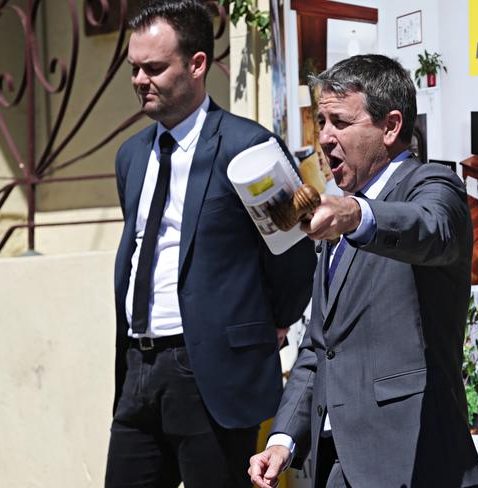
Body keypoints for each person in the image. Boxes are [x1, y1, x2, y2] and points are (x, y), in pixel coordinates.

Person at [249, 54, 478, 488]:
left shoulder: (431, 185)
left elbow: (431, 229)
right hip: (333, 467)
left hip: (415, 463)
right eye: (321, 122)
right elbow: (318, 349)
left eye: (339, 122)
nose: (325, 137)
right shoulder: (336, 215)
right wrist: (282, 440)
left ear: (391, 127)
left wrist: (357, 215)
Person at [106, 1, 316, 487]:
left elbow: (293, 256)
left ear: (197, 64)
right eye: (134, 68)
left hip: (212, 375)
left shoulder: (249, 148)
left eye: (154, 68)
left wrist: (271, 325)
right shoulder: (130, 156)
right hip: (137, 367)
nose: (140, 80)